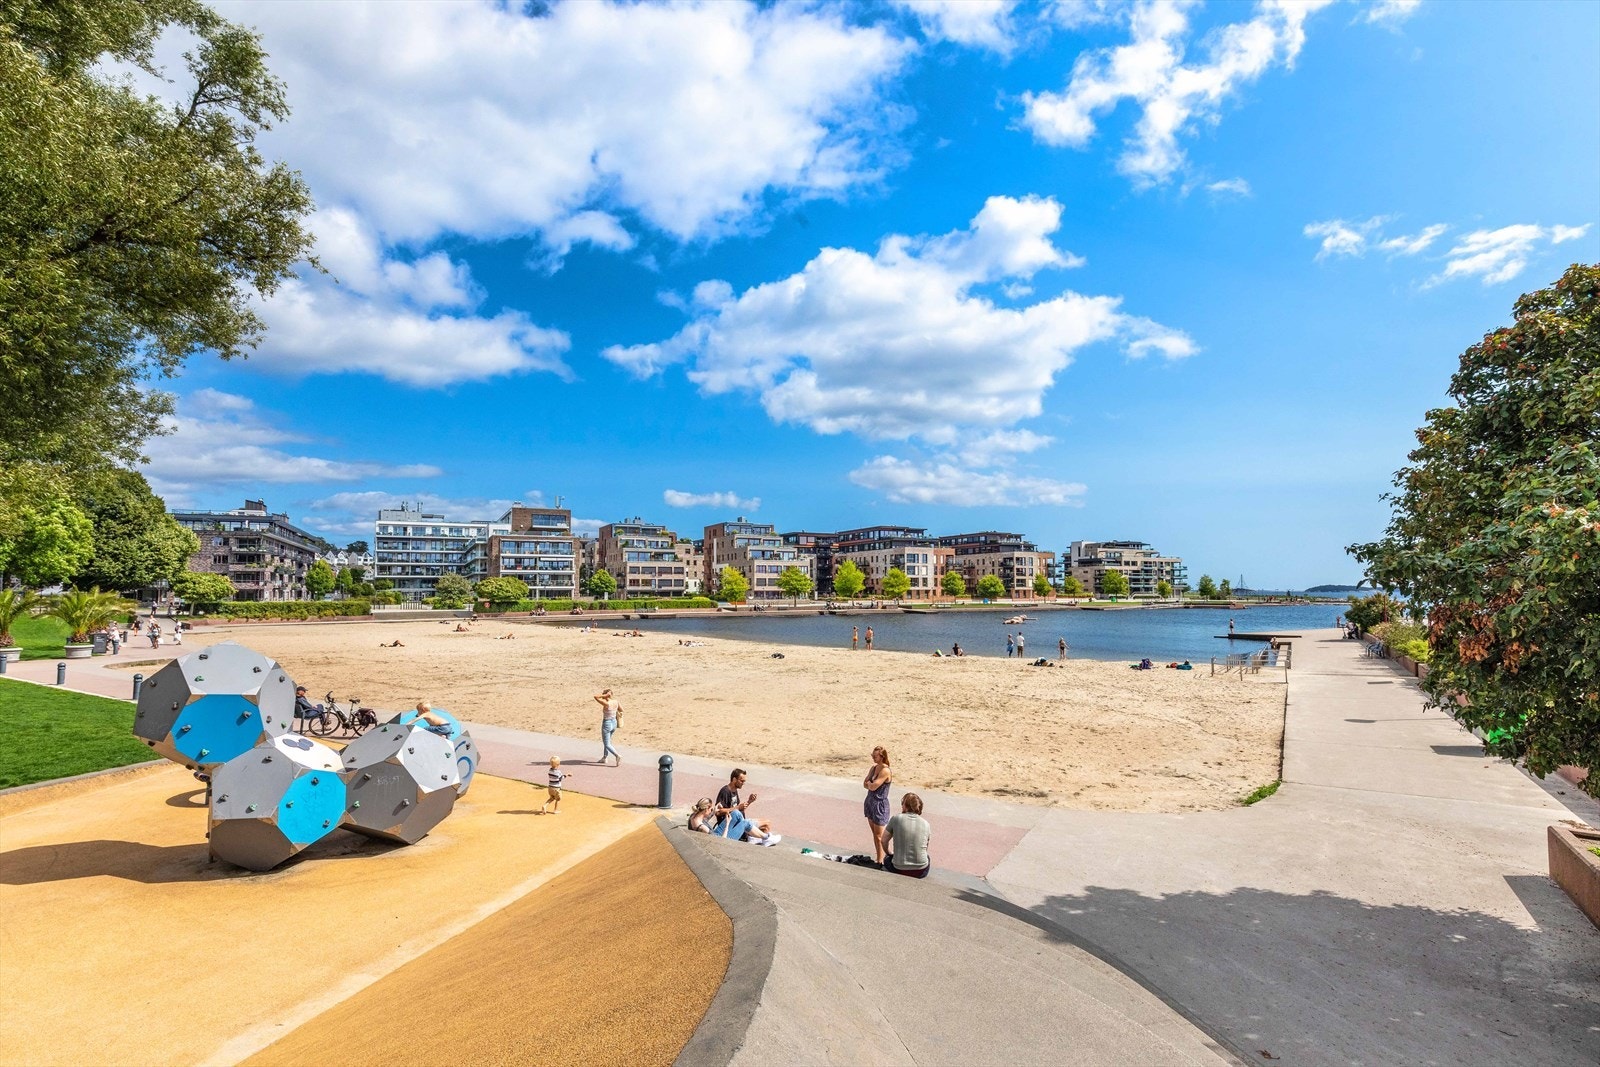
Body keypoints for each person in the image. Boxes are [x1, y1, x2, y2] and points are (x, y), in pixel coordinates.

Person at [883, 793, 931, 878]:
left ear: (905, 805)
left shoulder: (896, 818)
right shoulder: (926, 824)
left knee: (887, 859)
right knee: (927, 857)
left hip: (899, 868)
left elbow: (883, 840)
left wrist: (889, 853)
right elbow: (925, 847)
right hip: (920, 870)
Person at [717, 768, 771, 834]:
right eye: (742, 781)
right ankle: (753, 839)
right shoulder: (725, 791)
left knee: (766, 824)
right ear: (734, 779)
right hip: (731, 826)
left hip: (739, 822)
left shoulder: (734, 791)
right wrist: (737, 808)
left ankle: (755, 839)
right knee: (766, 824)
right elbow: (718, 812)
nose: (743, 783)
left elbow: (740, 809)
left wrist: (749, 801)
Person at [862, 747, 892, 864]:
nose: (873, 758)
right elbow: (865, 784)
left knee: (880, 836)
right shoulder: (874, 768)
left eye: (875, 756)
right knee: (875, 834)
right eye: (872, 755)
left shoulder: (885, 771)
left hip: (880, 804)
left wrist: (870, 784)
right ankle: (879, 858)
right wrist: (870, 784)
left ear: (882, 756)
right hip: (870, 802)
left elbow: (873, 786)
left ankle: (882, 859)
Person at [594, 688, 621, 766]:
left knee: (607, 743)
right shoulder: (616, 702)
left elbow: (595, 697)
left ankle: (617, 755)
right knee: (608, 741)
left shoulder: (606, 703)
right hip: (614, 722)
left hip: (607, 723)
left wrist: (605, 695)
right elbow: (621, 710)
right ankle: (605, 757)